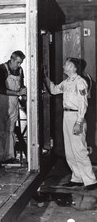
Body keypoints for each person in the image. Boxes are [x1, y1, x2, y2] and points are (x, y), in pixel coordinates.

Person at [44, 57, 97, 190]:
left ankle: (90, 180)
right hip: (67, 116)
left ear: (74, 68)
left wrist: (79, 122)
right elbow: (54, 90)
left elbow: (83, 104)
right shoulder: (67, 82)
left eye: (66, 64)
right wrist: (45, 77)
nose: (63, 66)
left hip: (76, 117)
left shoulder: (80, 82)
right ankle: (77, 178)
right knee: (69, 150)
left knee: (79, 149)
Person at [0, 51, 27, 168]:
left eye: (21, 63)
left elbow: (22, 85)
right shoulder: (1, 69)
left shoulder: (20, 71)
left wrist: (23, 93)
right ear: (11, 59)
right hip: (2, 102)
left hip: (14, 103)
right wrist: (18, 92)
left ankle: (9, 156)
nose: (19, 65)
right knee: (0, 130)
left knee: (10, 130)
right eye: (17, 62)